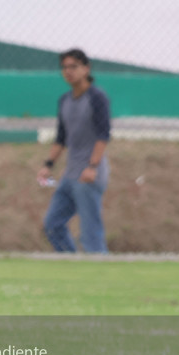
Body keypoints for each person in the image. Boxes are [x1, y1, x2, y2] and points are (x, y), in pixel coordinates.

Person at [37, 48, 111, 253]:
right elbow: (61, 138)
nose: (68, 71)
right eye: (65, 67)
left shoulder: (97, 98)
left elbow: (103, 136)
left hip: (88, 176)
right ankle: (71, 262)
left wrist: (92, 167)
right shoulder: (65, 100)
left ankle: (100, 267)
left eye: (73, 67)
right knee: (52, 225)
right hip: (70, 175)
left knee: (90, 233)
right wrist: (48, 165)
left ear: (86, 69)